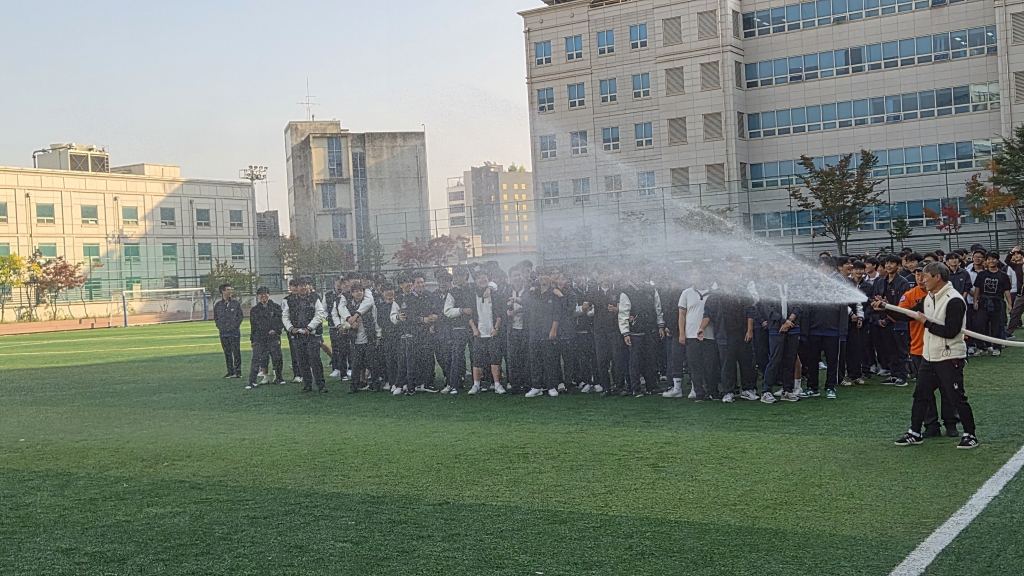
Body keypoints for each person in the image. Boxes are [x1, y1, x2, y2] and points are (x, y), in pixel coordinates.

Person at [892, 262, 979, 449]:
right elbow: (910, 315)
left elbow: (951, 331)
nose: (922, 280)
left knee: (956, 397)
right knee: (920, 395)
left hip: (949, 356)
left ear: (937, 277)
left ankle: (970, 434)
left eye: (925, 276)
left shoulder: (954, 299)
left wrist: (925, 323)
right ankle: (915, 432)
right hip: (929, 356)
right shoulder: (929, 297)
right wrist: (885, 308)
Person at [619, 269, 664, 398]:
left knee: (651, 359)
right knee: (635, 362)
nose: (639, 277)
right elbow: (623, 314)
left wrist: (660, 325)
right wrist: (625, 333)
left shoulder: (651, 289)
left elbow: (658, 308)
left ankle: (651, 386)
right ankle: (635, 388)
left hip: (650, 329)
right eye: (637, 274)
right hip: (635, 332)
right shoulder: (626, 292)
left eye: (641, 274)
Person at [677, 267, 720, 402]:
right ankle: (699, 392)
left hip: (710, 334)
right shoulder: (686, 293)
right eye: (692, 274)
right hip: (691, 335)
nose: (693, 276)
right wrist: (682, 333)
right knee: (694, 365)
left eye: (696, 274)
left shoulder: (713, 294)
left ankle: (712, 391)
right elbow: (682, 314)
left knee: (710, 365)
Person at [283, 278, 328, 393]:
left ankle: (321, 385)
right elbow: (285, 316)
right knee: (302, 361)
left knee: (315, 360)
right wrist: (291, 328)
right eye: (300, 285)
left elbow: (319, 314)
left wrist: (310, 327)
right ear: (296, 288)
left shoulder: (315, 298)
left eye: (305, 285)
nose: (303, 287)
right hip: (298, 335)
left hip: (312, 335)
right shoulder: (290, 301)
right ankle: (307, 384)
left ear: (308, 286)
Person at [334, 282, 381, 393]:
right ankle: (354, 386)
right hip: (355, 339)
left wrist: (378, 335)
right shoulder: (348, 306)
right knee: (355, 364)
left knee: (372, 363)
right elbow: (343, 321)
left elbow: (375, 320)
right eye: (356, 291)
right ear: (352, 293)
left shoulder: (369, 305)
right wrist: (350, 324)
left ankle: (375, 385)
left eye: (361, 291)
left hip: (369, 337)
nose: (359, 293)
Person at [523, 268, 562, 398]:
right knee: (535, 359)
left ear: (550, 277)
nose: (543, 278)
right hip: (534, 330)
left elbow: (557, 313)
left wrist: (553, 329)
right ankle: (537, 387)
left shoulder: (554, 293)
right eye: (541, 275)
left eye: (545, 275)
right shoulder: (533, 292)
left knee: (549, 359)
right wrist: (529, 291)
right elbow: (524, 303)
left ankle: (552, 386)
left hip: (548, 330)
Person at [872, 255, 910, 386]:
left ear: (899, 266)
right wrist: (879, 314)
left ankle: (902, 376)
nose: (888, 266)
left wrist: (887, 309)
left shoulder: (903, 282)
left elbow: (902, 305)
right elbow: (874, 299)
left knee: (901, 350)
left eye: (892, 263)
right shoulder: (880, 282)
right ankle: (893, 374)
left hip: (898, 322)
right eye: (886, 263)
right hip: (883, 321)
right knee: (889, 349)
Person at [468, 271, 506, 395]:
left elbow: (500, 313)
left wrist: (496, 328)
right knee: (477, 360)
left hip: (492, 333)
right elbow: (469, 315)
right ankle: (476, 385)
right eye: (479, 278)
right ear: (475, 281)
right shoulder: (472, 295)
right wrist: (474, 329)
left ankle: (497, 384)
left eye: (484, 277)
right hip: (479, 333)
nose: (482, 280)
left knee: (495, 360)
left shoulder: (495, 295)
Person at [972, 251, 1013, 355]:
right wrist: (975, 300)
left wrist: (1009, 304)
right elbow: (977, 288)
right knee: (980, 325)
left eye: (993, 259)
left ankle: (996, 347)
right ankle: (982, 347)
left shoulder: (1003, 275)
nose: (991, 261)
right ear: (986, 261)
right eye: (989, 259)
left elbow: (1007, 290)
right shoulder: (982, 274)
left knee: (997, 326)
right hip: (983, 301)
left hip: (997, 302)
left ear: (997, 260)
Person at [246, 287, 286, 389]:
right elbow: (254, 326)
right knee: (258, 359)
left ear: (269, 295)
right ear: (258, 296)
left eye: (265, 294)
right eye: (261, 294)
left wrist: (276, 330)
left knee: (277, 358)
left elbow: (280, 321)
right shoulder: (255, 310)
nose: (263, 296)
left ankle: (278, 377)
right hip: (259, 338)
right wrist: (252, 340)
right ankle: (253, 380)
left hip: (273, 337)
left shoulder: (276, 307)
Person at [213, 283, 244, 379]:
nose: (230, 291)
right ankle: (230, 372)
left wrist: (235, 326)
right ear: (222, 291)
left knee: (236, 352)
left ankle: (238, 372)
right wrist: (221, 327)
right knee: (227, 353)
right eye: (228, 290)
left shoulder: (235, 303)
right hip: (223, 333)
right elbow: (216, 318)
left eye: (231, 289)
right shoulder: (218, 305)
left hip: (234, 332)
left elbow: (240, 316)